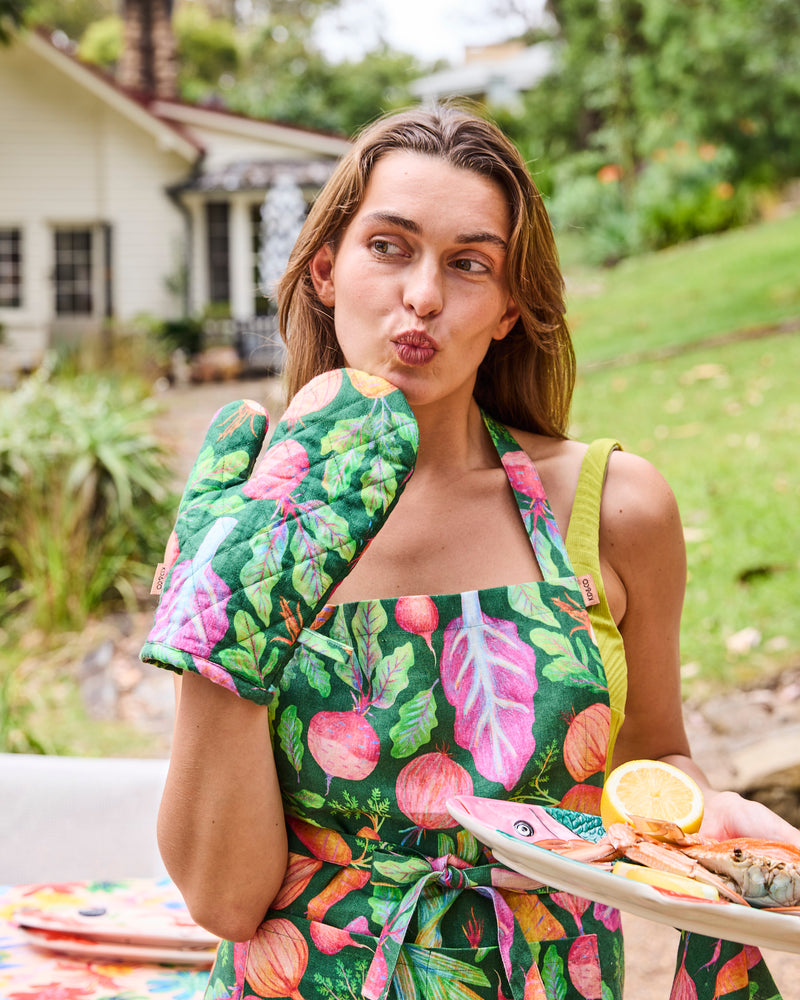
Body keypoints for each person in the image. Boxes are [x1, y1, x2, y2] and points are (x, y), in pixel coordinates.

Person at [141, 103, 799, 1000]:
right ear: (327, 269)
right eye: (389, 247)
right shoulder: (249, 516)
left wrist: (704, 815)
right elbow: (224, 899)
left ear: (508, 311)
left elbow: (654, 758)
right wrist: (225, 619)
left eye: (469, 264)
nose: (423, 296)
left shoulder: (613, 509)